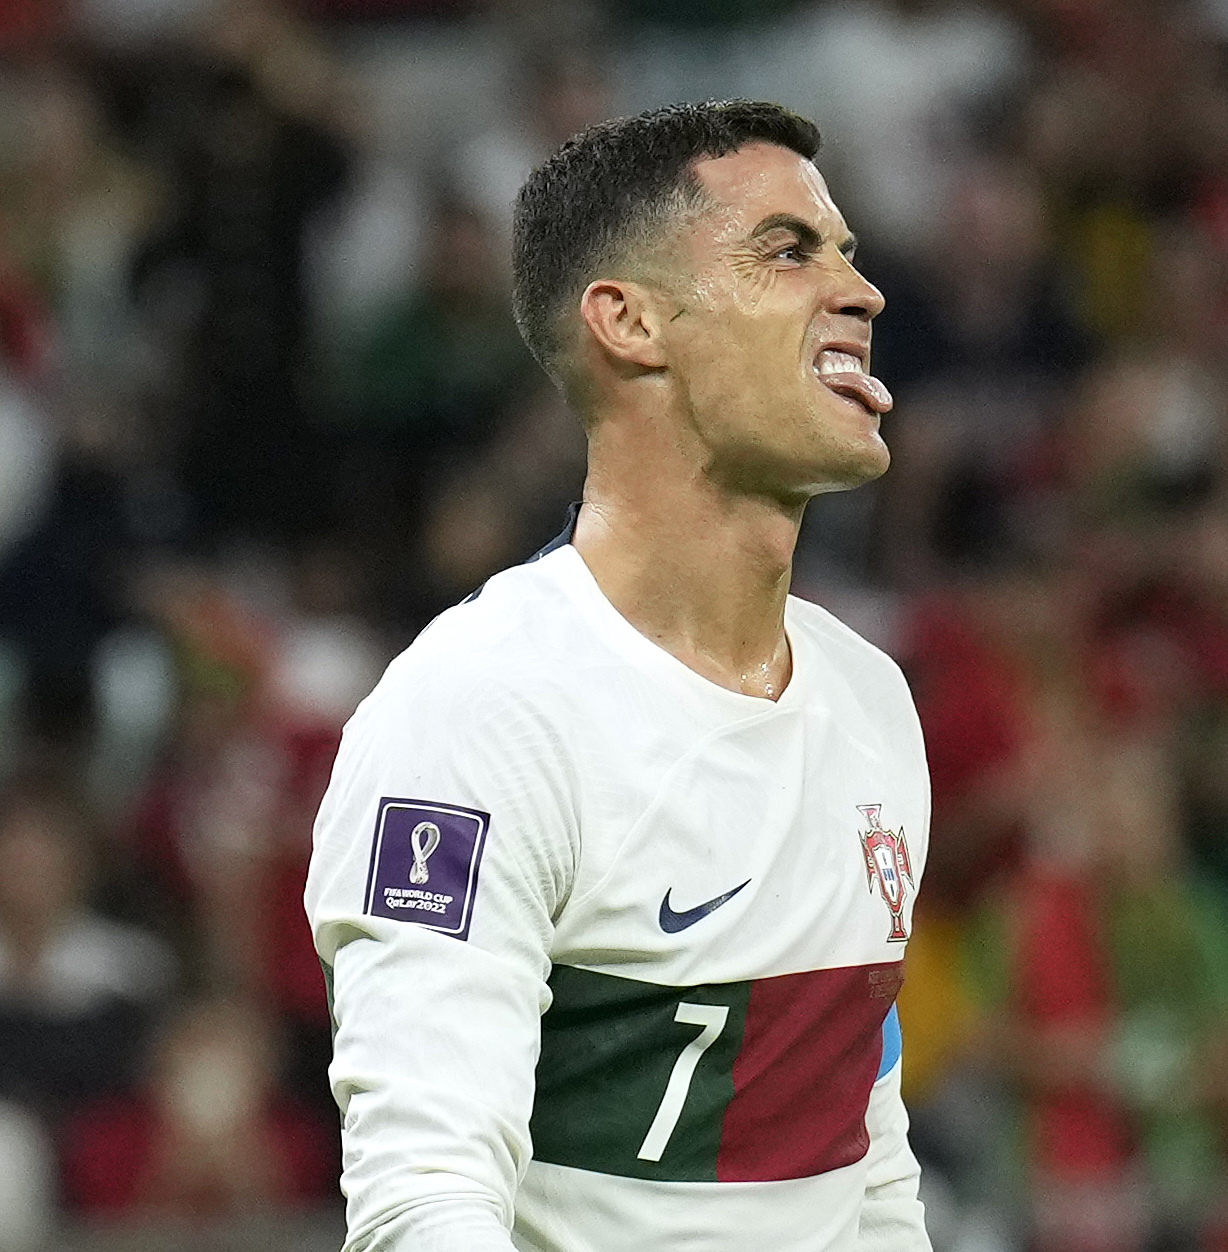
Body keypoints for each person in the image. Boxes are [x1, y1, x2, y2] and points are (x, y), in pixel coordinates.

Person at [305, 101, 929, 1252]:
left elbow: (864, 1159)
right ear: (631, 321)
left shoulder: (872, 701)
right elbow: (426, 1196)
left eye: (846, 251)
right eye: (788, 250)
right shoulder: (480, 716)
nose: (860, 290)